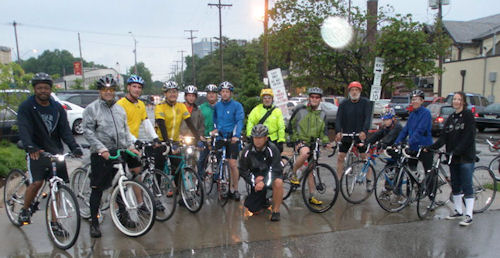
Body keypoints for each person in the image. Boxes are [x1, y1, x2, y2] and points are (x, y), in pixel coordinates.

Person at [17, 73, 83, 236]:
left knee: (58, 186)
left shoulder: (57, 108)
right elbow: (24, 128)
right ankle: (25, 209)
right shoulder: (26, 107)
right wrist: (30, 147)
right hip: (36, 151)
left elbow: (65, 131)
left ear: (50, 89)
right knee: (37, 182)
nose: (43, 91)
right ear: (35, 89)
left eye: (46, 88)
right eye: (39, 88)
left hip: (55, 152)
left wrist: (74, 147)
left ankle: (55, 222)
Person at [83, 75, 142, 238]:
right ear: (100, 91)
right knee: (98, 189)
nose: (108, 92)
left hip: (118, 151)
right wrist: (101, 149)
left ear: (115, 91)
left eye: (111, 90)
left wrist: (130, 146)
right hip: (100, 154)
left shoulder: (119, 109)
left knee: (120, 185)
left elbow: (124, 132)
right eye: (105, 90)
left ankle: (123, 217)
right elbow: (87, 131)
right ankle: (94, 223)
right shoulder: (92, 109)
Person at [428, 92, 476, 226]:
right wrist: (431, 147)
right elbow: (444, 137)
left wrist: (457, 151)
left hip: (465, 157)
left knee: (467, 185)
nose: (456, 101)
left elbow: (469, 136)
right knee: (455, 185)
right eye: (454, 99)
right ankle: (458, 211)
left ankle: (469, 215)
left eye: (458, 99)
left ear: (463, 101)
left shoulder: (467, 116)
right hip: (453, 158)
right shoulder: (451, 117)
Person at [288, 87, 331, 205]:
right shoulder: (300, 110)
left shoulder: (322, 114)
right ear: (308, 98)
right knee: (305, 152)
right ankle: (293, 173)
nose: (314, 99)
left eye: (317, 97)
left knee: (311, 170)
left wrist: (326, 142)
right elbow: (290, 125)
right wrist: (293, 139)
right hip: (300, 140)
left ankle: (312, 196)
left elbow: (324, 132)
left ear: (320, 99)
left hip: (313, 143)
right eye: (312, 97)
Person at [154, 81, 200, 189]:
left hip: (175, 141)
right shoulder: (160, 106)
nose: (172, 94)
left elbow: (190, 123)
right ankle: (156, 192)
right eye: (169, 92)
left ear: (177, 93)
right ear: (165, 94)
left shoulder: (181, 106)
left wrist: (198, 138)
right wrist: (166, 141)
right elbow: (161, 124)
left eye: (174, 92)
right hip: (162, 141)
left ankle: (180, 194)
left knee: (178, 168)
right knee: (159, 168)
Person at [239, 124, 284, 221]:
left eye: (260, 137)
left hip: (270, 175)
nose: (258, 140)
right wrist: (254, 181)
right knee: (254, 210)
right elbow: (243, 170)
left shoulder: (273, 149)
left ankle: (276, 211)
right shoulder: (247, 151)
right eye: (255, 137)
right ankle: (264, 200)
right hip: (256, 178)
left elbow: (275, 169)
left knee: (278, 183)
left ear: (266, 138)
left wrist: (264, 182)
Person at [212, 81, 245, 201]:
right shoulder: (217, 106)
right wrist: (215, 129)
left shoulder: (237, 106)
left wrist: (236, 135)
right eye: (223, 91)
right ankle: (220, 182)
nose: (225, 94)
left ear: (230, 93)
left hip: (232, 137)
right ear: (220, 93)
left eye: (227, 92)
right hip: (220, 137)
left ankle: (235, 188)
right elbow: (214, 119)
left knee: (232, 164)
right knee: (218, 160)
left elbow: (239, 121)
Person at [335, 81, 372, 179]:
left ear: (360, 91)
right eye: (352, 90)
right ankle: (338, 181)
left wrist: (364, 131)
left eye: (356, 90)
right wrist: (338, 131)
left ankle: (368, 180)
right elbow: (338, 118)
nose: (354, 92)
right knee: (340, 157)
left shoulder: (365, 103)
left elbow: (368, 118)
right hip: (347, 134)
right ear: (349, 92)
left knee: (365, 157)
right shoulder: (344, 104)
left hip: (360, 135)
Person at [394, 90, 433, 173]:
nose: (413, 102)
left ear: (422, 101)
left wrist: (409, 142)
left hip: (424, 146)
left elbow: (420, 130)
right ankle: (413, 185)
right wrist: (397, 142)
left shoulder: (426, 113)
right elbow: (406, 130)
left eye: (416, 99)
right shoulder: (412, 114)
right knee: (411, 172)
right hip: (413, 147)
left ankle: (430, 184)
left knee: (428, 173)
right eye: (412, 99)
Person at [116, 75, 160, 142]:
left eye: (139, 87)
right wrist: (134, 140)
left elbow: (146, 123)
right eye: (134, 86)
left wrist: (155, 137)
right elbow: (120, 128)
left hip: (133, 142)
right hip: (121, 143)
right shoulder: (120, 104)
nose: (137, 89)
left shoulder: (141, 104)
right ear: (128, 87)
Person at [246, 88, 286, 153]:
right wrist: (250, 135)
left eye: (269, 98)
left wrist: (281, 140)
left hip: (273, 139)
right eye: (265, 98)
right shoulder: (256, 110)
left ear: (272, 99)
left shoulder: (277, 111)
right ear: (262, 99)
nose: (267, 100)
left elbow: (281, 126)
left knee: (275, 160)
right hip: (259, 138)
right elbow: (250, 123)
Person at [197, 84, 219, 177]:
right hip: (205, 137)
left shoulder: (220, 106)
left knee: (220, 158)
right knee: (201, 159)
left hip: (218, 136)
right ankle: (200, 180)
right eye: (209, 93)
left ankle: (218, 178)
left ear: (217, 95)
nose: (211, 95)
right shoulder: (201, 107)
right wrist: (200, 135)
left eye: (213, 93)